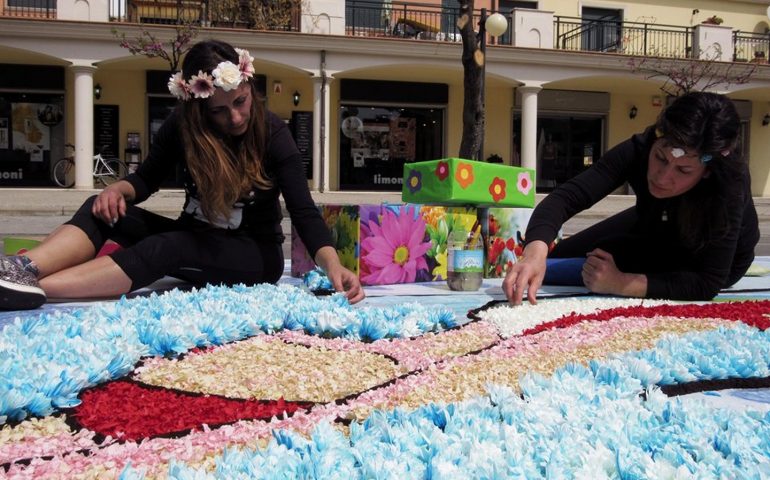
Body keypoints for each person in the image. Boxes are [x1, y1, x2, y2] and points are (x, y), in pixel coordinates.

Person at [0, 39, 364, 311]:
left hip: (254, 255)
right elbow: (146, 179)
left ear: (249, 88)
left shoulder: (274, 134)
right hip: (195, 236)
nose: (235, 118)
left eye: (240, 102)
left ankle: (38, 288)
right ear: (199, 109)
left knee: (168, 247)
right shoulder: (182, 126)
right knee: (102, 205)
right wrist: (119, 191)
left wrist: (333, 265)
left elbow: (302, 211)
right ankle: (22, 268)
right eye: (220, 111)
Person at [503, 91, 759, 305]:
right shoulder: (642, 146)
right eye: (660, 158)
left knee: (590, 268)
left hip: (697, 257)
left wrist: (621, 283)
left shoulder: (729, 184)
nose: (662, 176)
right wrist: (535, 252)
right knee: (556, 256)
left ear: (707, 171)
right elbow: (567, 197)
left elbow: (707, 282)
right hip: (654, 223)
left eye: (683, 170)